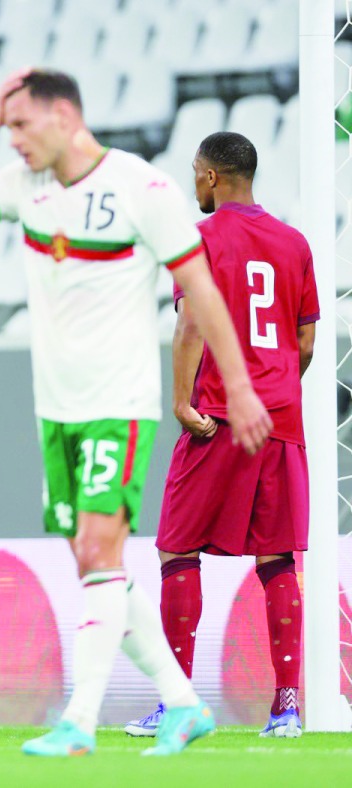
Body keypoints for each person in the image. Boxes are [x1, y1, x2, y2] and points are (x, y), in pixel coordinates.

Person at [0, 69, 273, 757]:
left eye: (24, 126)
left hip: (119, 401)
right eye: (11, 130)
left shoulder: (141, 188)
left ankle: (79, 721)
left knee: (99, 551)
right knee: (92, 560)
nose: (16, 142)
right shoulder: (26, 187)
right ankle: (182, 702)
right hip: (56, 408)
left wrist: (236, 386)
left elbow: (201, 291)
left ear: (64, 118)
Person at [125, 132, 318, 740]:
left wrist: (182, 399)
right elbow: (306, 341)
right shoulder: (295, 242)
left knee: (177, 550)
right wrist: (277, 386)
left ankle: (180, 702)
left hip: (217, 418)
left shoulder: (199, 239)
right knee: (278, 557)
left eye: (194, 173)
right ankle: (286, 709)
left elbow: (190, 326)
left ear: (210, 177)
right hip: (280, 420)